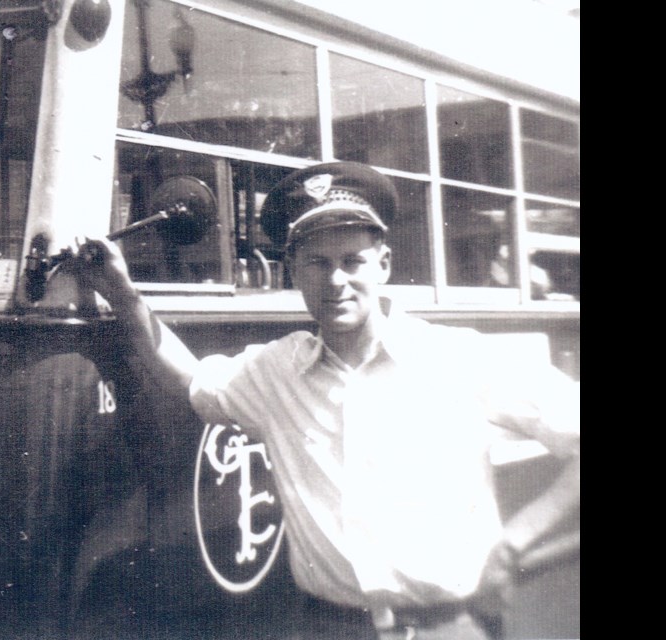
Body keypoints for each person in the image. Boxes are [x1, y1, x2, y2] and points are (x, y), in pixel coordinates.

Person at [64, 161, 580, 640]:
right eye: (316, 263)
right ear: (294, 271)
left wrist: (513, 546)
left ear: (384, 265)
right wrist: (123, 293)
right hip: (328, 627)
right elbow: (194, 380)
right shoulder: (276, 372)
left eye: (352, 261)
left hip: (448, 627)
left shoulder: (456, 357)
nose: (336, 281)